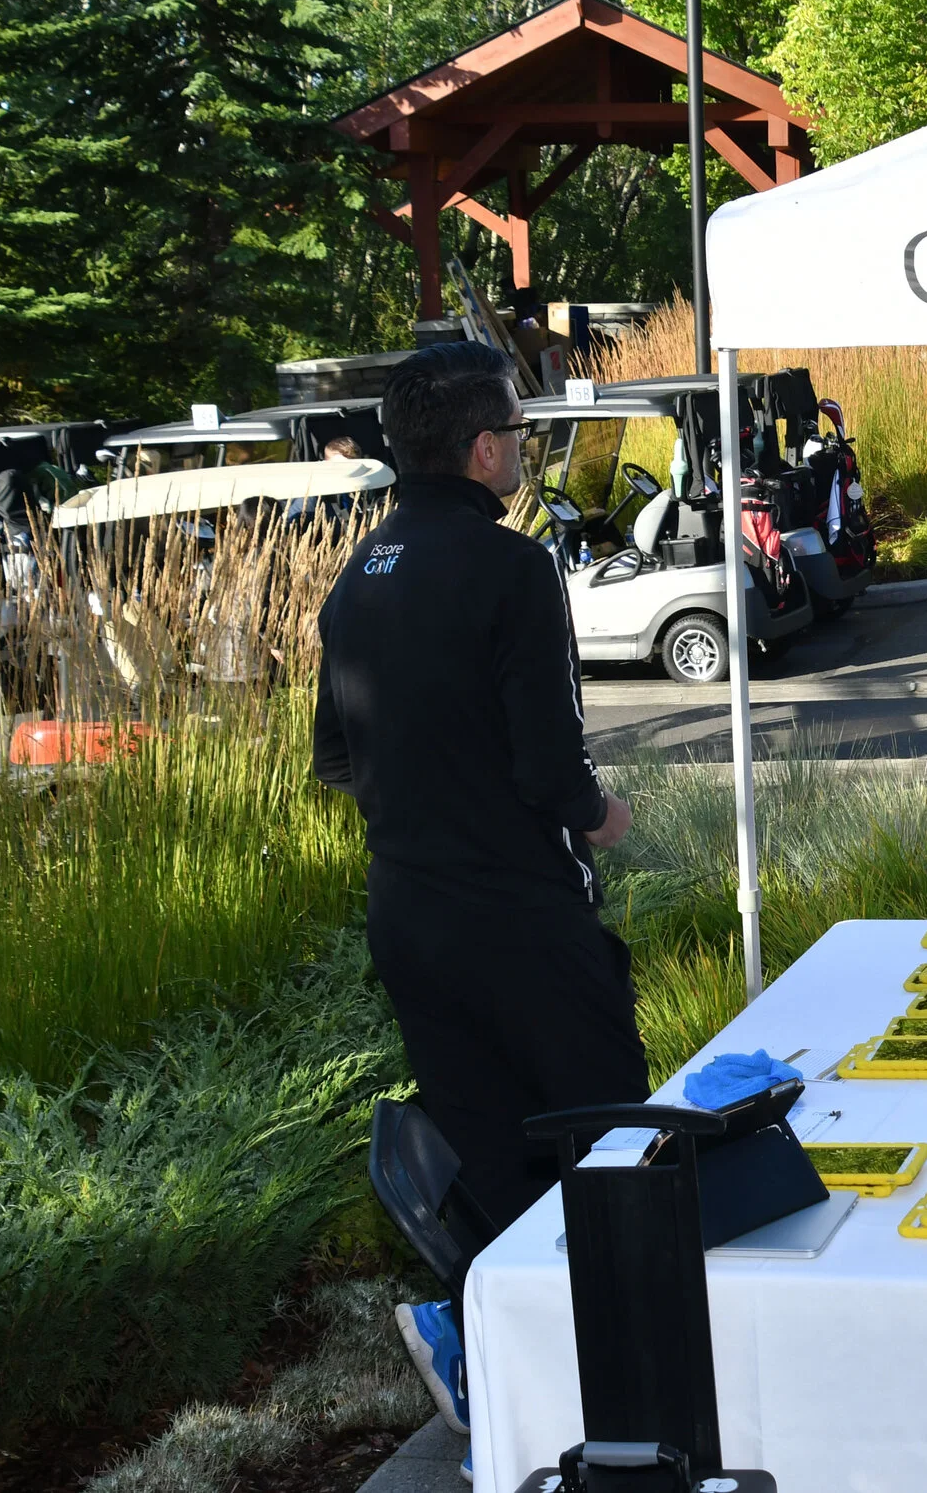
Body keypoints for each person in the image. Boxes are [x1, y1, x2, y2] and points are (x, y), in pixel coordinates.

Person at [312, 343, 644, 1477]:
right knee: (609, 1152)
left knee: (499, 1170)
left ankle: (509, 1402)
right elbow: (550, 765)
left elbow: (336, 759)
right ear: (486, 446)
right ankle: (630, 1400)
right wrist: (601, 815)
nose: (524, 448)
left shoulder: (356, 575)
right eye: (519, 429)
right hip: (519, 916)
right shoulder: (513, 566)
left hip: (410, 916)